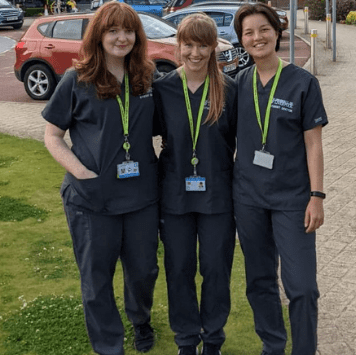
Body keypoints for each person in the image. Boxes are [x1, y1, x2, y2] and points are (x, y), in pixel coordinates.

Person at [41, 2, 159, 354]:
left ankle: (140, 319)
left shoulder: (147, 78)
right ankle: (109, 346)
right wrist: (83, 173)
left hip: (140, 198)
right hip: (91, 199)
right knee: (96, 279)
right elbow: (52, 136)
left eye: (128, 31)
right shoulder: (76, 80)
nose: (121, 38)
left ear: (137, 36)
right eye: (113, 31)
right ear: (99, 35)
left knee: (143, 272)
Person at [232, 3, 327, 355]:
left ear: (276, 31)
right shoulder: (238, 84)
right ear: (241, 40)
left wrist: (317, 195)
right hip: (248, 199)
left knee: (302, 286)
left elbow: (313, 144)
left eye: (263, 29)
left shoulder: (303, 83)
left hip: (293, 200)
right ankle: (272, 346)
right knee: (259, 282)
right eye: (248, 33)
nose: (256, 37)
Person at [152, 13, 237, 355]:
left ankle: (213, 338)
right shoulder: (163, 88)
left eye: (203, 45)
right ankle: (186, 339)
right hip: (174, 196)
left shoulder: (229, 89)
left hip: (218, 196)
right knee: (179, 270)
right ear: (179, 46)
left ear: (214, 47)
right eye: (189, 44)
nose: (196, 53)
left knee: (216, 270)